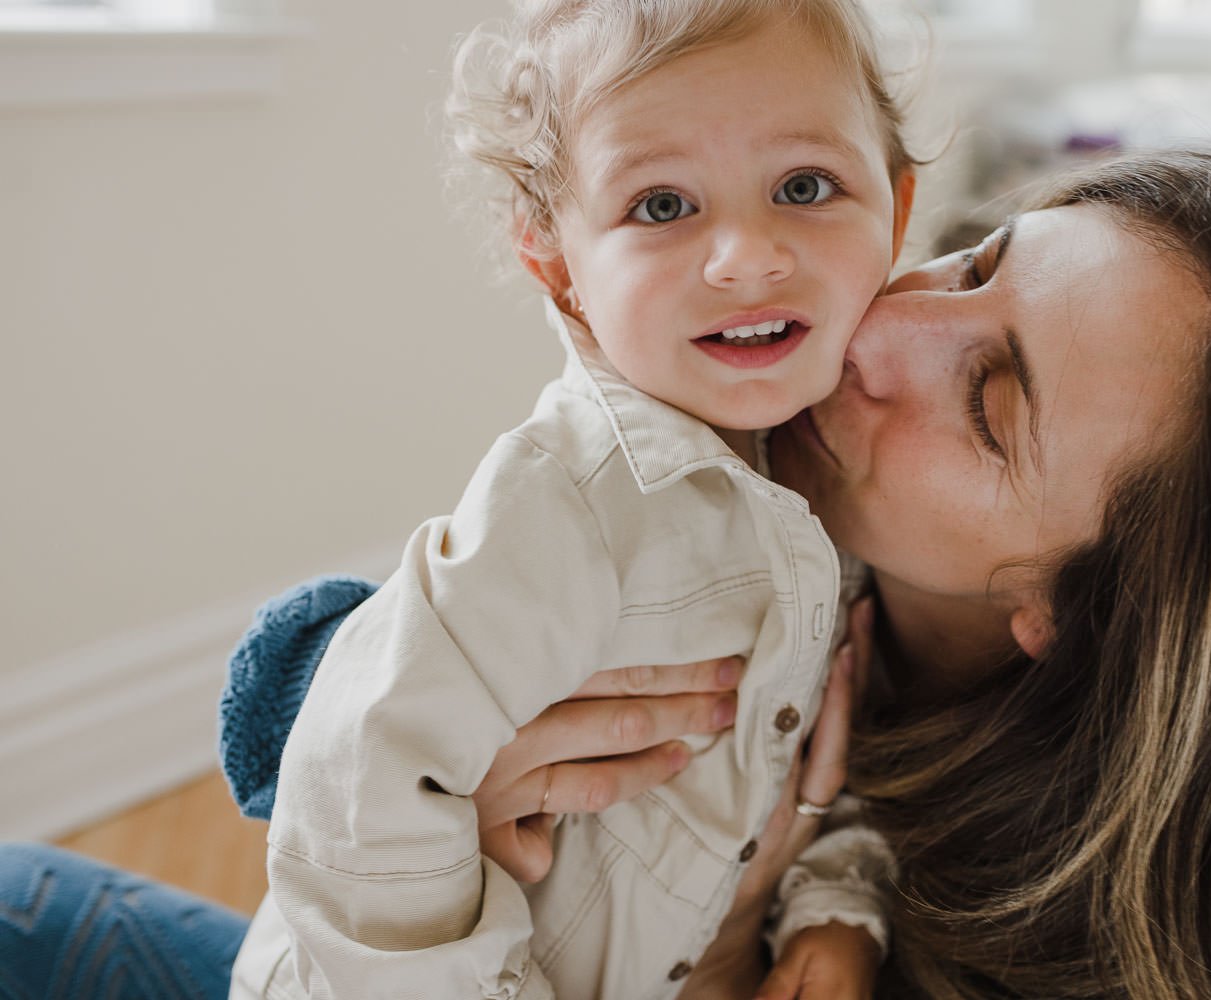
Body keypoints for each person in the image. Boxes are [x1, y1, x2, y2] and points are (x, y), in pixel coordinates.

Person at [2, 149, 1211, 1000]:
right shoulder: (754, 532)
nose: (880, 325)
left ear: (1087, 620)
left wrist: (722, 955)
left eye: (990, 405)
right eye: (977, 262)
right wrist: (423, 771)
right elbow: (316, 711)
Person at [235, 1, 920, 998]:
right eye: (661, 206)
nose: (747, 256)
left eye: (804, 186)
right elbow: (355, 783)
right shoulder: (564, 503)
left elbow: (815, 753)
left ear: (895, 216)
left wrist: (835, 904)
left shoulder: (834, 482)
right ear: (559, 269)